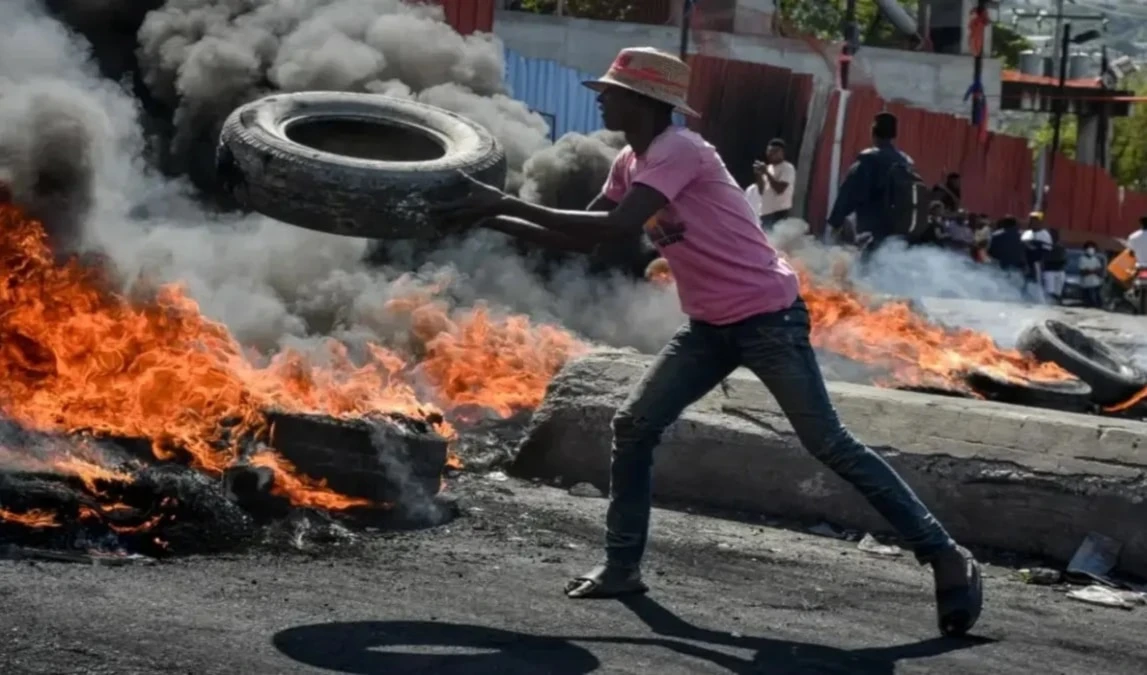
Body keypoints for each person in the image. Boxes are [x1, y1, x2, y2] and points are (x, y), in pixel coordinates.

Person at [434, 46, 983, 637]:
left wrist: (501, 203)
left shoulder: (680, 151)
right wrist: (490, 218)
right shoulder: (630, 160)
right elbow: (582, 238)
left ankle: (945, 555)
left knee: (830, 444)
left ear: (645, 101)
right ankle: (622, 568)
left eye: (610, 90)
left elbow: (619, 226)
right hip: (710, 328)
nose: (600, 97)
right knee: (635, 425)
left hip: (769, 319)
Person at [827, 112, 918, 251]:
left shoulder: (869, 161)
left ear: (872, 132)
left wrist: (835, 222)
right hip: (901, 239)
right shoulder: (906, 163)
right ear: (894, 134)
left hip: (872, 236)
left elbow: (849, 193)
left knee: (865, 271)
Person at [745, 138, 796, 229]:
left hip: (779, 212)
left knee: (776, 240)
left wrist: (766, 173)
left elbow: (780, 190)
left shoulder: (787, 167)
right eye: (769, 151)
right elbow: (761, 191)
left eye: (775, 151)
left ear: (782, 153)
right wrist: (759, 175)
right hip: (765, 212)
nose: (772, 154)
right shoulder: (768, 168)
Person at [1042, 229, 1068, 304]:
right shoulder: (1045, 247)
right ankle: (1049, 305)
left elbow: (1065, 259)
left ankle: (1057, 304)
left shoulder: (1061, 247)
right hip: (1049, 271)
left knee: (1058, 292)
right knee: (1050, 291)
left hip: (1060, 271)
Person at [1078, 240, 1105, 308]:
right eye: (1089, 248)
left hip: (1096, 284)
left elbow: (1099, 270)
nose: (1091, 250)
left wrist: (1090, 271)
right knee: (1088, 303)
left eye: (1093, 248)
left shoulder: (1096, 259)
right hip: (1086, 285)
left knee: (1097, 302)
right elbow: (1083, 272)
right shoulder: (1082, 259)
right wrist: (1093, 271)